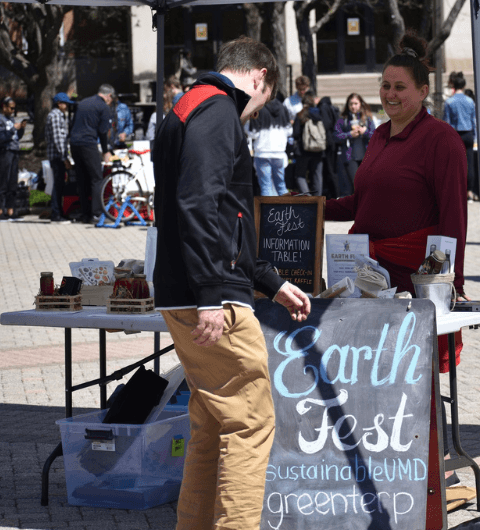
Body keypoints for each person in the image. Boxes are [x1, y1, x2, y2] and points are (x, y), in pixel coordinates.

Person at [152, 36, 311, 530]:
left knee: (214, 422)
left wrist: (270, 282)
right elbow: (198, 204)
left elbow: (223, 218)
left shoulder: (191, 104)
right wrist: (211, 294)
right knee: (251, 423)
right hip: (209, 295)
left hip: (196, 289)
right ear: (260, 76)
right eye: (264, 100)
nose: (257, 112)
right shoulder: (218, 109)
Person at [324, 32, 468, 488]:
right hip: (366, 282)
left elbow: (453, 218)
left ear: (423, 91)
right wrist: (314, 207)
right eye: (385, 86)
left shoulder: (441, 140)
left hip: (411, 284)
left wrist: (452, 282)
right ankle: (374, 469)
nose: (389, 95)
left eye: (399, 87)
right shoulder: (380, 136)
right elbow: (364, 203)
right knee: (369, 381)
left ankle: (418, 476)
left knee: (407, 383)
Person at [69, 84, 114, 224]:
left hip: (74, 144)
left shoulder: (82, 103)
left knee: (82, 179)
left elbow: (72, 124)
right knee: (96, 178)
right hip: (88, 143)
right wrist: (106, 151)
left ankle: (85, 214)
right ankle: (97, 213)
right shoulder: (104, 107)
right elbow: (103, 132)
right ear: (108, 96)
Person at [244, 98, 292, 196]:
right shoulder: (283, 108)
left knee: (266, 186)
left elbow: (254, 133)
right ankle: (287, 209)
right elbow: (289, 131)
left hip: (262, 152)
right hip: (279, 153)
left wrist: (245, 125)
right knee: (281, 186)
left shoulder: (260, 109)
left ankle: (269, 210)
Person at [443, 72, 478, 201]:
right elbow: (474, 120)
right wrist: (475, 135)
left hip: (455, 133)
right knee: (470, 163)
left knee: (454, 164)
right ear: (463, 85)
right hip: (468, 132)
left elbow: (447, 121)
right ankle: (469, 191)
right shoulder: (470, 101)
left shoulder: (449, 102)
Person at [0, 97, 26, 222]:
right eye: (11, 108)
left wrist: (21, 128)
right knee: (2, 182)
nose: (13, 110)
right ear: (4, 107)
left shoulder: (11, 119)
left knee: (12, 182)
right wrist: (13, 129)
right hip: (4, 153)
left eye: (14, 108)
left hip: (14, 152)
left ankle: (10, 211)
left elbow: (16, 137)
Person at [334, 93, 375, 197]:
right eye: (351, 104)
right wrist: (349, 134)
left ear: (360, 104)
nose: (353, 106)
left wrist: (365, 132)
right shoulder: (343, 119)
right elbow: (335, 136)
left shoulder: (367, 118)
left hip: (366, 157)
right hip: (350, 157)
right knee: (356, 184)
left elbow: (375, 136)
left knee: (365, 185)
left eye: (356, 103)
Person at [45, 92, 73, 224]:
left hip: (58, 156)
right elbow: (58, 139)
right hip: (57, 156)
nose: (66, 105)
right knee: (57, 185)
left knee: (60, 184)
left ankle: (59, 212)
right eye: (64, 103)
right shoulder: (55, 116)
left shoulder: (59, 115)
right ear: (58, 103)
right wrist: (64, 158)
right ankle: (56, 215)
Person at [291, 93, 326, 195]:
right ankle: (318, 200)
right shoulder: (319, 114)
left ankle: (308, 198)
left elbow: (296, 133)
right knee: (317, 175)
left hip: (303, 150)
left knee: (300, 175)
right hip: (319, 149)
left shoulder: (300, 114)